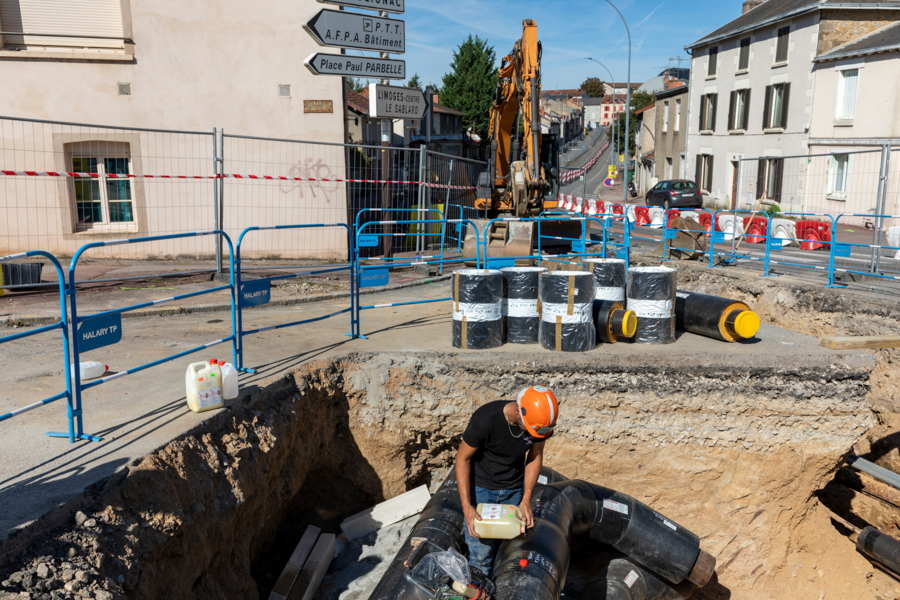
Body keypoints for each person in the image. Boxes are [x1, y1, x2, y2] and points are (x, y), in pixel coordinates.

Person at [455, 385, 560, 577]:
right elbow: (463, 459)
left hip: (514, 489)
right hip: (481, 489)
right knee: (481, 555)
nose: (533, 437)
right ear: (519, 412)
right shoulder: (485, 420)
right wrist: (467, 506)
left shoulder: (538, 424)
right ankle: (480, 590)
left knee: (513, 549)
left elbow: (535, 456)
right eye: (530, 431)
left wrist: (527, 497)